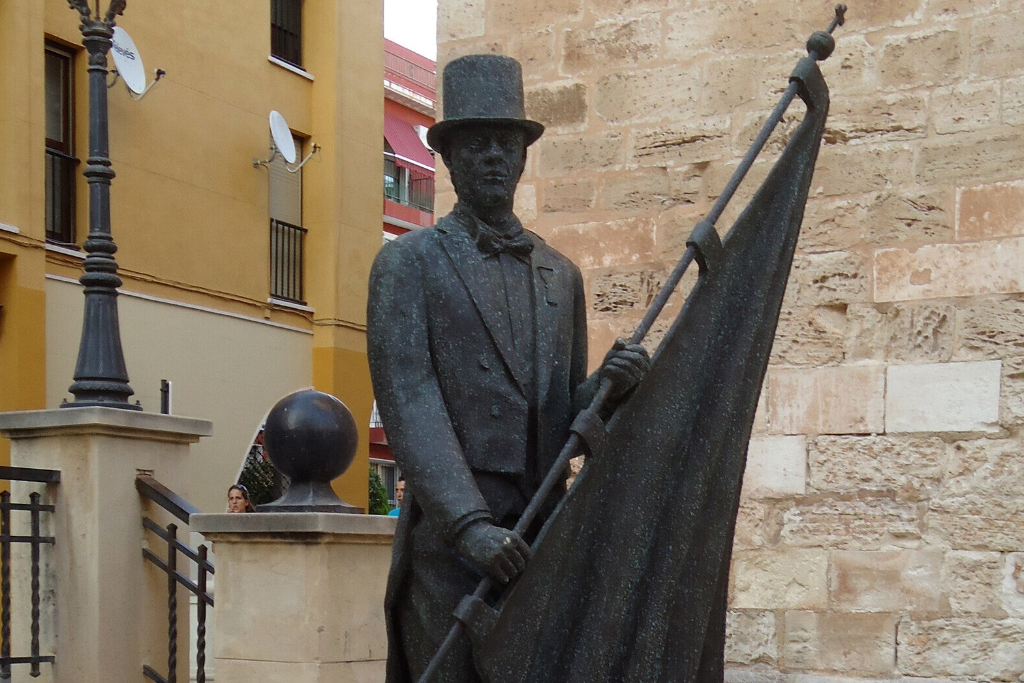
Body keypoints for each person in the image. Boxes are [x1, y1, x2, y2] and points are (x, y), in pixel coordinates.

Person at [367, 54, 649, 683]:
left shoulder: (560, 275)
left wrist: (605, 389)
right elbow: (411, 401)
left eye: (505, 143)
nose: (494, 156)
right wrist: (468, 528)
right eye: (476, 144)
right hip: (451, 545)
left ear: (523, 156)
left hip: (541, 531)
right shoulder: (408, 266)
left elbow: (559, 412)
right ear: (448, 157)